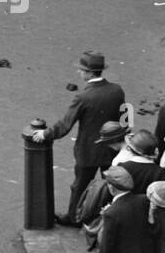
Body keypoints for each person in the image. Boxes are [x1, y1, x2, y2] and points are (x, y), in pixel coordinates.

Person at [32, 51, 126, 225]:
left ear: (90, 73)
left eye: (82, 70)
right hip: (112, 147)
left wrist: (45, 134)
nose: (79, 73)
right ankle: (106, 213)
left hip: (88, 150)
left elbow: (65, 124)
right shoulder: (117, 90)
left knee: (80, 186)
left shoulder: (83, 97)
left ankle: (74, 217)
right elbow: (125, 116)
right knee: (111, 182)